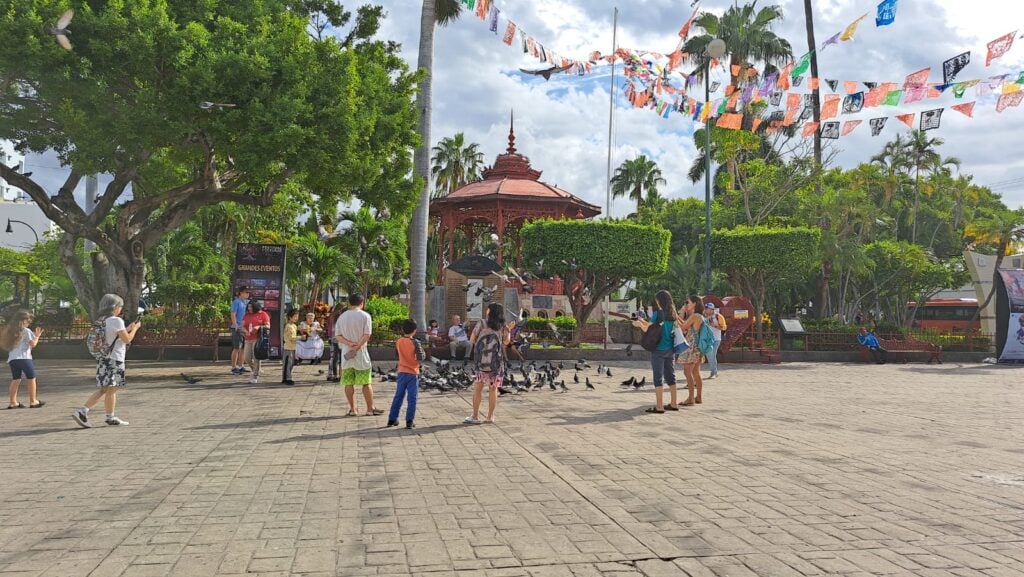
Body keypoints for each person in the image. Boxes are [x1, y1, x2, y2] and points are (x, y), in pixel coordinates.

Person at [72, 294, 139, 427]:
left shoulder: (101, 320)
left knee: (106, 389)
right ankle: (83, 411)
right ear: (115, 307)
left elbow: (114, 337)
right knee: (112, 388)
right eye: (120, 306)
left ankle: (109, 416)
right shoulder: (116, 320)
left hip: (104, 358)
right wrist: (135, 329)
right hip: (115, 359)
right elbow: (127, 340)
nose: (121, 309)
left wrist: (128, 329)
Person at [334, 293, 383, 416]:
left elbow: (337, 336)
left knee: (348, 382)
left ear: (350, 303)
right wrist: (358, 345)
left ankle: (353, 409)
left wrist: (349, 344)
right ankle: (370, 409)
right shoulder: (365, 316)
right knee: (366, 382)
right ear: (362, 303)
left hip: (347, 352)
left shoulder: (342, 317)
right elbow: (367, 334)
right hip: (360, 353)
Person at [631, 291, 680, 414]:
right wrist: (642, 321)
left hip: (658, 349)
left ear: (659, 301)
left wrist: (638, 325)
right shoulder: (673, 315)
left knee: (658, 378)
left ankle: (659, 406)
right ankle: (674, 403)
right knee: (671, 377)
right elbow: (657, 327)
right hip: (670, 349)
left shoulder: (658, 314)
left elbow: (649, 329)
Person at [463, 303, 512, 425]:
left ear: (490, 311)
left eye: (488, 309)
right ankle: (490, 417)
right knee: (493, 389)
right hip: (496, 363)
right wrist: (509, 331)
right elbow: (506, 342)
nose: (486, 311)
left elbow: (472, 339)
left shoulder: (482, 323)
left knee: (478, 389)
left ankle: (475, 416)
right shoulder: (502, 327)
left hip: (482, 362)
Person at [2, 309, 44, 409]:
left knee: (16, 379)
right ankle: (33, 401)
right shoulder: (26, 331)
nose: (29, 323)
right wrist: (37, 336)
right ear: (24, 320)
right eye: (29, 321)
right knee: (31, 378)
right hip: (24, 358)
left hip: (12, 359)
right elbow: (33, 344)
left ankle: (13, 402)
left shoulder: (10, 330)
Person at [387, 319, 420, 429]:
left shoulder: (399, 341)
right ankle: (409, 421)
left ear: (402, 330)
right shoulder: (415, 342)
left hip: (401, 371)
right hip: (412, 372)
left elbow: (397, 355)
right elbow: (421, 357)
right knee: (412, 397)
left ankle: (392, 419)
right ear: (414, 330)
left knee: (398, 395)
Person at [676, 294, 706, 406]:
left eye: (687, 302)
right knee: (696, 372)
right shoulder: (700, 316)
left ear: (694, 304)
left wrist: (679, 314)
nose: (686, 304)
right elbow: (686, 327)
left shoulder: (694, 316)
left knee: (687, 371)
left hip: (692, 347)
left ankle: (690, 399)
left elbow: (683, 328)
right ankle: (698, 397)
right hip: (698, 347)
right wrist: (678, 317)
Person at [242, 301, 271, 384]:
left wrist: (258, 326)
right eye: (248, 307)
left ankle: (255, 375)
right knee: (247, 357)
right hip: (248, 338)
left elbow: (268, 326)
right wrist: (245, 331)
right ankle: (255, 369)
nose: (249, 309)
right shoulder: (247, 315)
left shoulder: (263, 314)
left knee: (256, 357)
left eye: (251, 307)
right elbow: (242, 326)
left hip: (257, 339)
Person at [703, 303, 727, 379]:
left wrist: (714, 325)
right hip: (707, 339)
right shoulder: (704, 317)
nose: (705, 310)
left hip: (716, 339)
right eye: (705, 309)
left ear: (711, 309)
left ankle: (714, 373)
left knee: (712, 355)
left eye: (707, 309)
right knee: (709, 356)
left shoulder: (718, 316)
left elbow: (724, 328)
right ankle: (713, 372)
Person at [230, 286, 250, 375]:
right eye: (246, 292)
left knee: (242, 349)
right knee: (236, 348)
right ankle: (234, 367)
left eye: (248, 292)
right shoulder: (236, 302)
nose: (247, 294)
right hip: (237, 328)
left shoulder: (245, 302)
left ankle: (241, 366)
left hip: (243, 328)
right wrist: (235, 326)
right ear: (241, 293)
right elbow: (233, 314)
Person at [326, 303, 344, 382]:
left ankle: (334, 375)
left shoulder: (332, 317)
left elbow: (329, 329)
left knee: (334, 358)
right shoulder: (343, 317)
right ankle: (341, 375)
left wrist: (330, 337)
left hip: (333, 339)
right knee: (341, 358)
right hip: (342, 340)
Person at [282, 309, 299, 386]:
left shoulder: (294, 326)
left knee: (291, 363)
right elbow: (291, 338)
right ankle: (286, 379)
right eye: (294, 316)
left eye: (297, 316)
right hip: (288, 348)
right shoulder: (288, 326)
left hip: (293, 347)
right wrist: (300, 337)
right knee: (287, 364)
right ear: (290, 317)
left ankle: (288, 377)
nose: (296, 318)